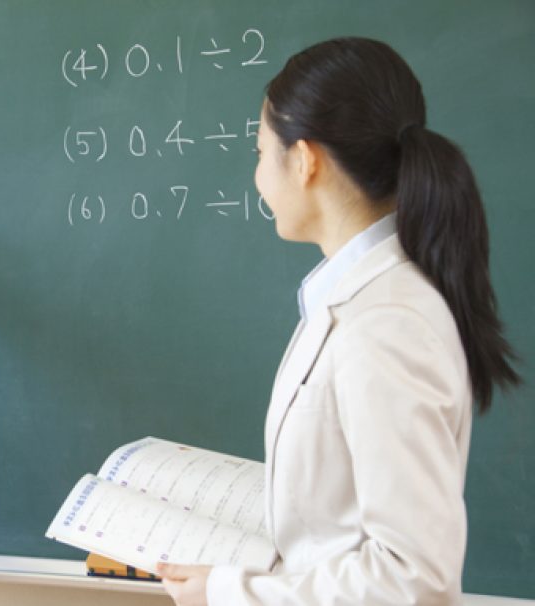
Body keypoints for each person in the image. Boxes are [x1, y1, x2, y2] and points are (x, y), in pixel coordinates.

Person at [157, 38, 520, 605]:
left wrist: (229, 593)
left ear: (305, 161)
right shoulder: (357, 300)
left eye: (258, 153)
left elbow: (413, 579)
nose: (256, 180)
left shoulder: (388, 325)